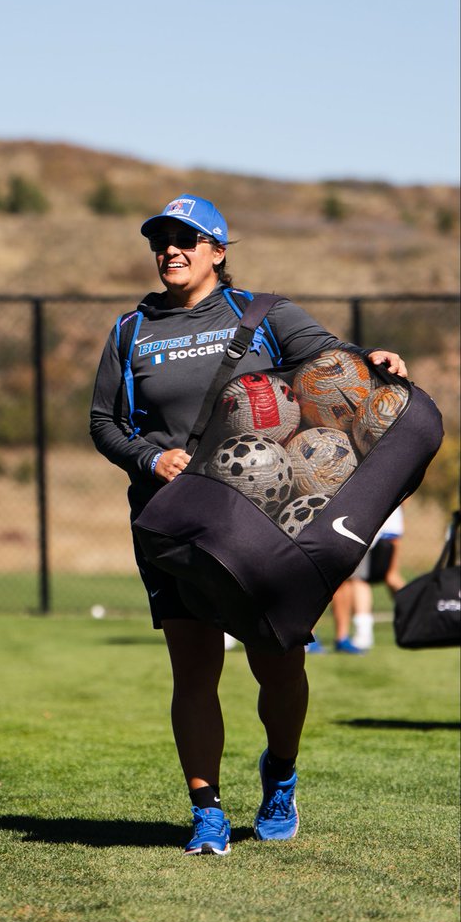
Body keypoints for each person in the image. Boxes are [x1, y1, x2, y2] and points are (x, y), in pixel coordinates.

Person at [89, 195, 407, 857]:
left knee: (279, 664)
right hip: (174, 520)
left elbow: (332, 362)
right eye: (160, 239)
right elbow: (104, 423)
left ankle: (281, 775)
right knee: (194, 668)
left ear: (217, 251)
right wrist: (149, 458)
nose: (170, 249)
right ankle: (205, 811)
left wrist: (374, 359)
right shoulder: (131, 330)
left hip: (264, 518)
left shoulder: (262, 314)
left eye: (185, 239)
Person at [330, 505, 406, 653]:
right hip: (388, 527)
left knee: (360, 580)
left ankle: (361, 634)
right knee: (386, 577)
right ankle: (362, 633)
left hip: (372, 528)